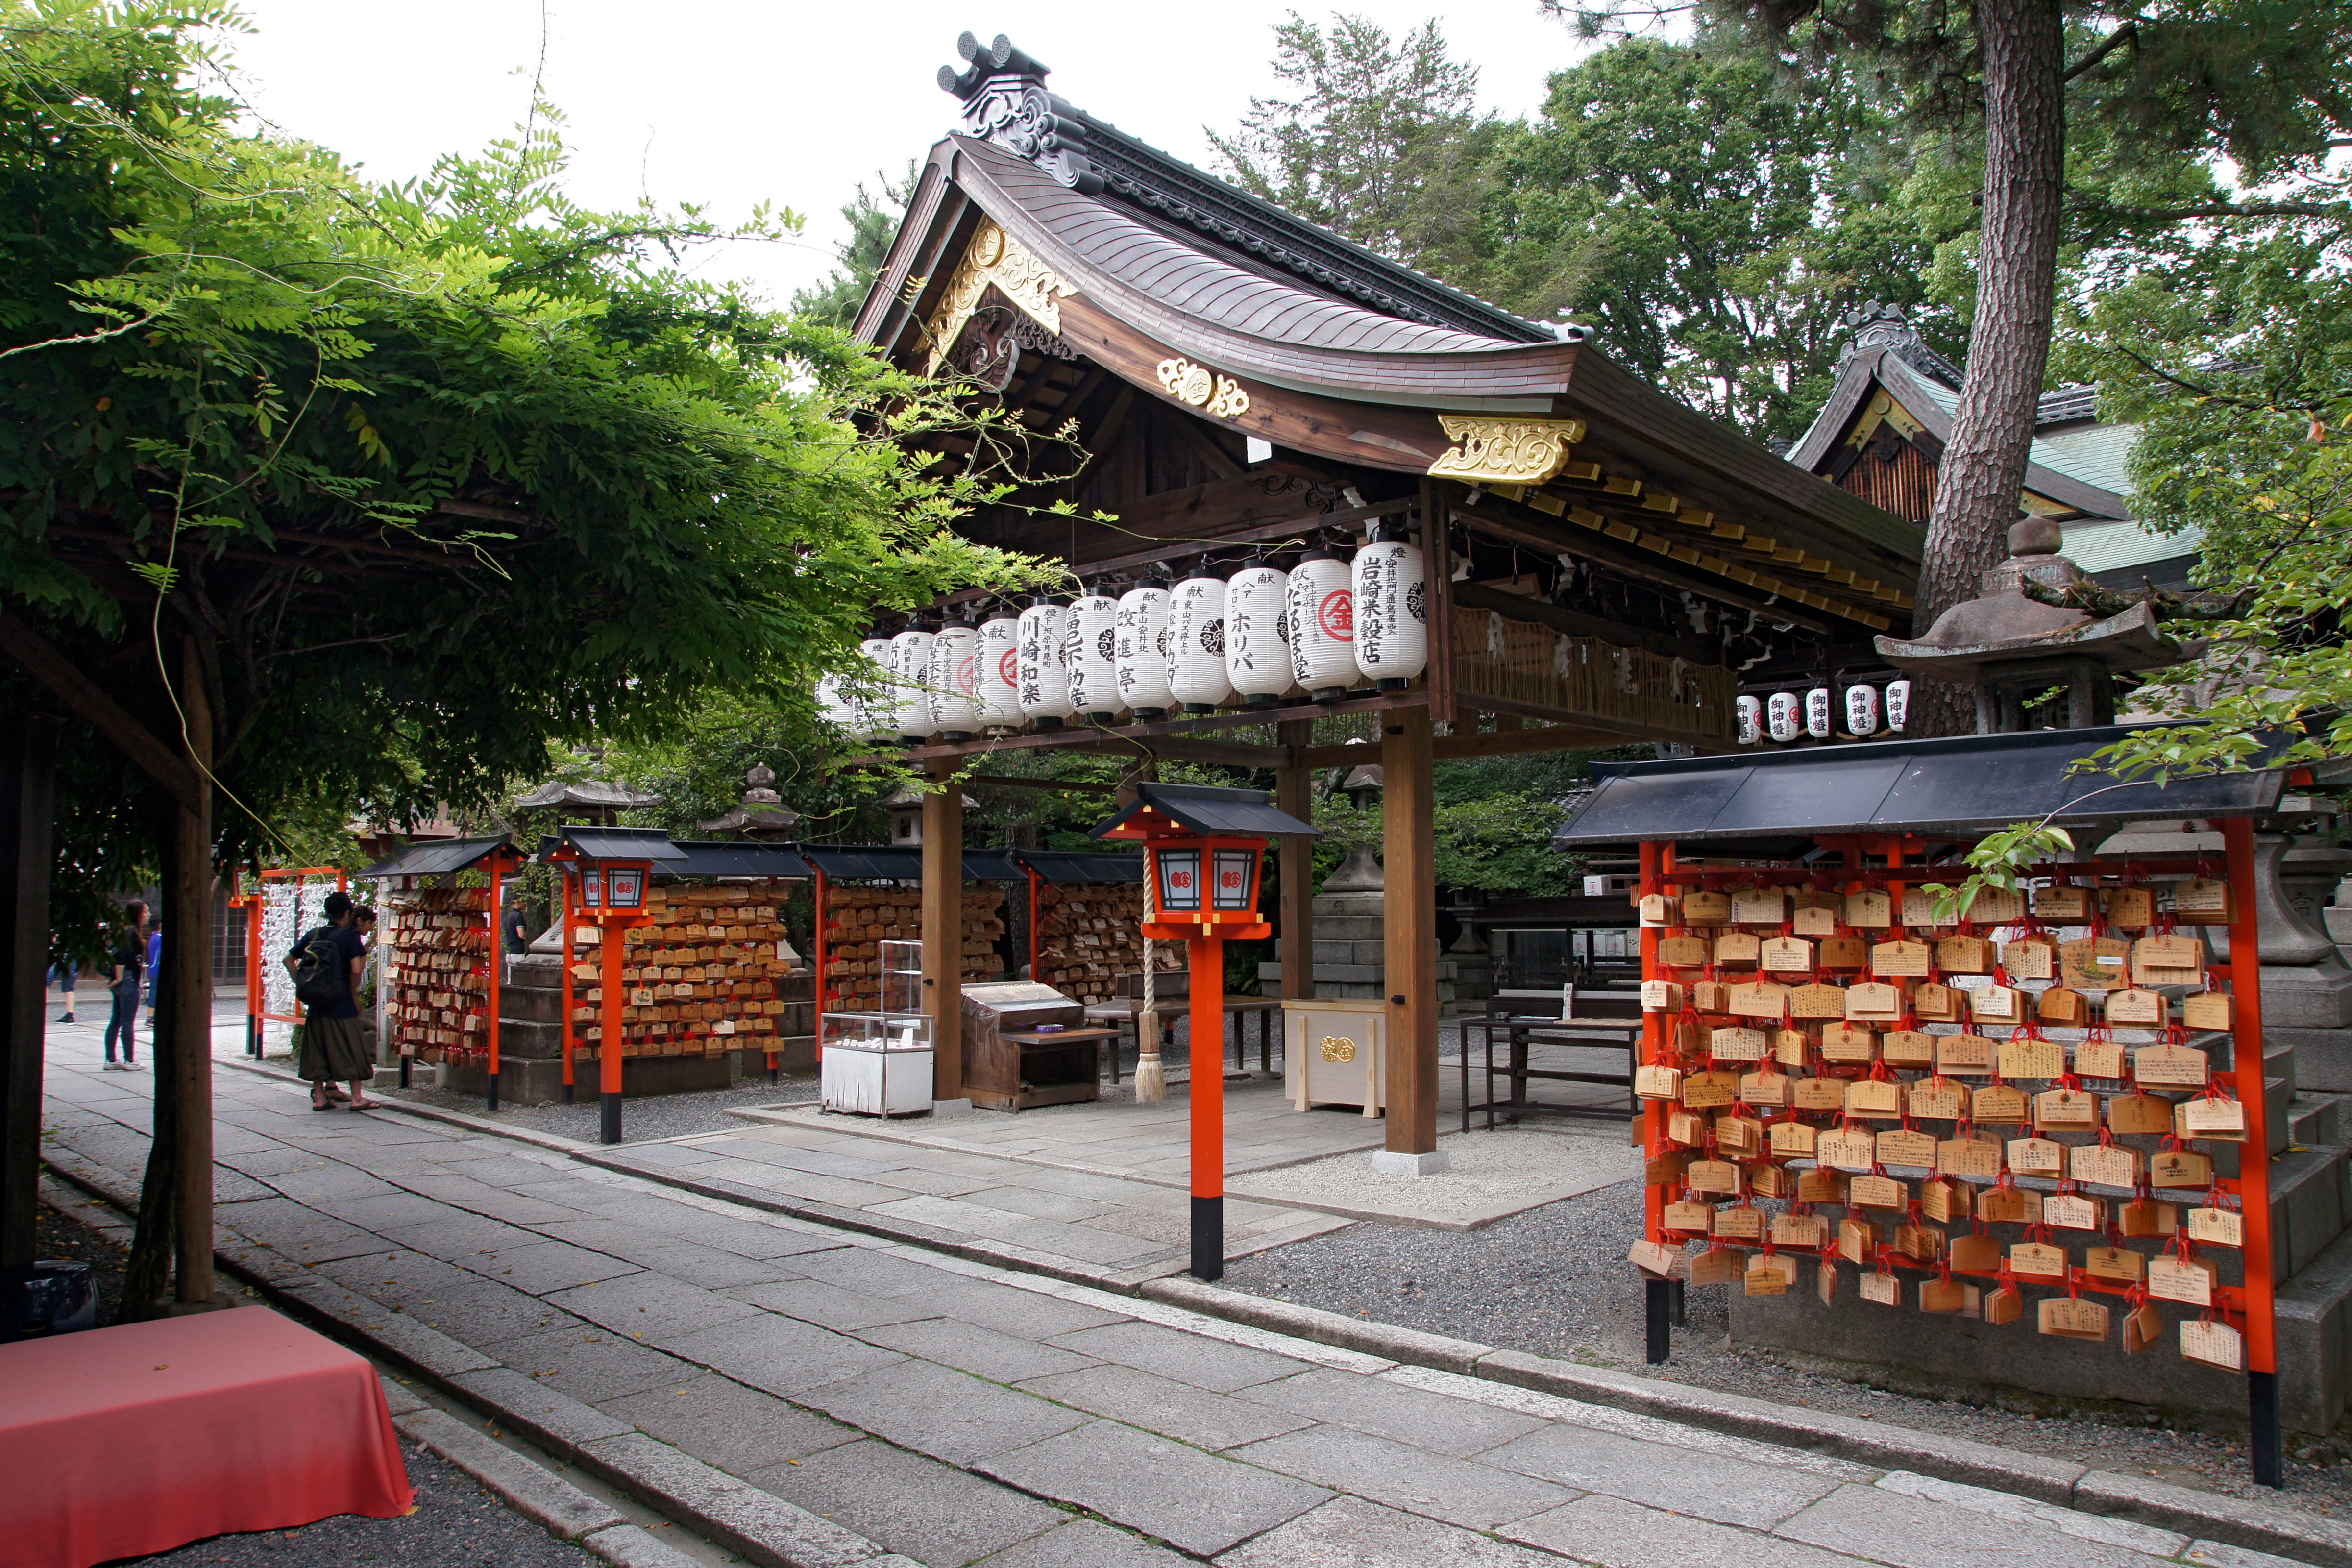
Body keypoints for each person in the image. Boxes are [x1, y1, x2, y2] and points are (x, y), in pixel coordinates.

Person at [286, 890, 374, 1111]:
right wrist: (352, 988)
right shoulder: (349, 937)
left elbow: (288, 959)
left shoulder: (314, 934)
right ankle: (357, 1098)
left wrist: (303, 983)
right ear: (347, 913)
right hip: (342, 1003)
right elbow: (355, 968)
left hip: (316, 1004)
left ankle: (320, 1097)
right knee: (352, 1047)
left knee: (318, 1050)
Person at [102, 901, 147, 1071]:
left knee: (116, 1020)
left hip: (125, 980)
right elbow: (123, 954)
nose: (148, 915)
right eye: (146, 911)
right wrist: (121, 976)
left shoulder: (123, 930)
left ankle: (111, 1059)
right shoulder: (131, 933)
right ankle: (130, 1060)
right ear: (138, 914)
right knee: (128, 1022)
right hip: (127, 980)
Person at [48, 956, 79, 1025]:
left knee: (45, 982)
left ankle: (40, 1012)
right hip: (74, 957)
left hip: (61, 956)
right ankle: (70, 1016)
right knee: (69, 988)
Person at [144, 918, 163, 1028]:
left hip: (153, 968)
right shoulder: (160, 938)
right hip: (158, 969)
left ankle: (152, 1017)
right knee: (155, 993)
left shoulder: (153, 937)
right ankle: (150, 1017)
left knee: (154, 992)